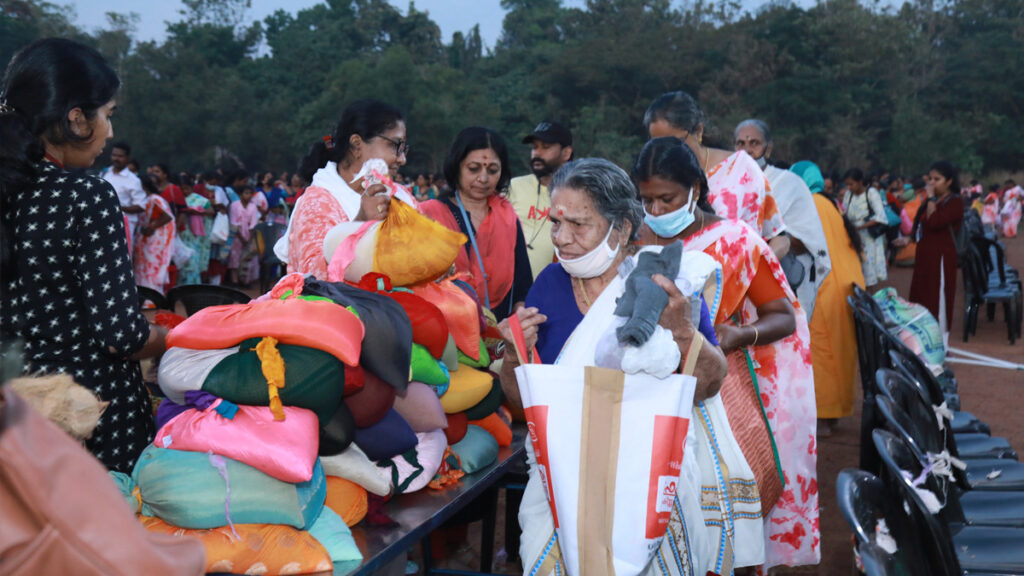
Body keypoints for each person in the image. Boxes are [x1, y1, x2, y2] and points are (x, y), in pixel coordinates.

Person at [496, 158, 729, 576]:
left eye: (579, 225)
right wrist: (515, 357)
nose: (561, 238)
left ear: (621, 228)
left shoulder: (664, 281)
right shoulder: (549, 284)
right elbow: (526, 404)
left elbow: (708, 385)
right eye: (554, 223)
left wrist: (679, 330)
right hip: (562, 487)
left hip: (649, 485)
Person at [633, 137, 819, 570]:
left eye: (667, 199)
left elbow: (783, 316)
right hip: (648, 391)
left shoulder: (735, 238)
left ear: (695, 189)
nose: (657, 211)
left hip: (721, 389)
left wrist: (739, 335)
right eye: (647, 200)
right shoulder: (632, 237)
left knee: (721, 509)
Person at [0, 38, 167, 472]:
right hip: (89, 419)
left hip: (15, 420)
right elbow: (121, 336)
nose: (110, 133)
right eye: (107, 116)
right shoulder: (85, 195)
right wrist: (176, 335)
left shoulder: (11, 194)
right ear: (76, 119)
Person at [277, 99, 413, 279]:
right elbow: (316, 279)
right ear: (357, 145)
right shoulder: (319, 203)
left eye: (404, 149)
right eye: (395, 146)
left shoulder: (401, 196)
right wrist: (360, 222)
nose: (402, 159)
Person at [644, 91, 789, 260]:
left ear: (698, 131)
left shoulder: (741, 170)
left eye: (675, 142)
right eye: (657, 145)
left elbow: (779, 237)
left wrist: (758, 263)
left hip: (739, 280)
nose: (666, 151)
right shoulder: (655, 182)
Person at [419, 127, 532, 322]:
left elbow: (523, 284)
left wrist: (518, 319)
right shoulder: (428, 215)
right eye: (474, 168)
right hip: (445, 333)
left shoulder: (507, 216)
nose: (483, 178)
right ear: (457, 166)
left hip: (501, 336)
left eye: (493, 170)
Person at [790, 160, 866, 430]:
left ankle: (823, 416)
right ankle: (829, 412)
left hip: (826, 287)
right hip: (844, 283)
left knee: (822, 353)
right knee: (838, 353)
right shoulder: (827, 202)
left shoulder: (811, 203)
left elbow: (800, 242)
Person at [734, 119, 831, 319]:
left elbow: (807, 241)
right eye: (740, 144)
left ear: (768, 149)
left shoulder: (789, 183)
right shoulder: (729, 185)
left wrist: (771, 243)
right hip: (742, 283)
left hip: (789, 281)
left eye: (754, 143)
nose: (747, 150)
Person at [508, 121, 574, 279]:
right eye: (534, 147)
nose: (537, 153)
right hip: (510, 289)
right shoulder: (514, 186)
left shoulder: (576, 195)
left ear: (566, 153)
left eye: (545, 147)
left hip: (554, 288)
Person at [909, 161, 964, 334]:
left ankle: (939, 342)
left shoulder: (955, 203)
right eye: (930, 179)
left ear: (949, 182)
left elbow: (934, 222)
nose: (932, 183)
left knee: (937, 298)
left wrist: (931, 198)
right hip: (925, 257)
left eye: (937, 179)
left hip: (941, 258)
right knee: (921, 296)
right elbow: (922, 223)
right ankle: (921, 340)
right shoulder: (932, 201)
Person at [842, 167, 888, 291]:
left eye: (851, 184)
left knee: (869, 272)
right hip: (854, 238)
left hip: (868, 239)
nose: (849, 187)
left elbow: (880, 216)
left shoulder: (871, 193)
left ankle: (869, 301)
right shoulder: (848, 195)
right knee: (856, 272)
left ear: (860, 182)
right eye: (847, 185)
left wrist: (860, 226)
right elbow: (844, 213)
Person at [132, 173, 176, 291]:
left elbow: (167, 216)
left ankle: (151, 300)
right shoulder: (145, 199)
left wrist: (151, 227)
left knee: (151, 269)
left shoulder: (155, 198)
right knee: (143, 268)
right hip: (145, 241)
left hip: (153, 242)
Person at [176, 171, 213, 285]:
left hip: (195, 236)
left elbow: (211, 211)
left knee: (193, 260)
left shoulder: (200, 199)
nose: (185, 191)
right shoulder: (177, 199)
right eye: (182, 189)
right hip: (181, 233)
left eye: (187, 188)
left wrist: (197, 211)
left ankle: (192, 285)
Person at [100, 141, 145, 234]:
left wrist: (118, 207)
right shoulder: (104, 173)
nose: (116, 158)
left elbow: (141, 206)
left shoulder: (133, 180)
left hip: (124, 225)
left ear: (128, 158)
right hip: (103, 221)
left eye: (120, 156)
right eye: (114, 155)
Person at [228, 184, 261, 286]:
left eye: (250, 193)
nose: (248, 195)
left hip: (249, 234)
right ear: (240, 194)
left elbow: (254, 223)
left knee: (248, 258)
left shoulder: (253, 206)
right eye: (246, 193)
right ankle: (235, 280)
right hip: (236, 234)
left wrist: (249, 238)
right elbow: (233, 222)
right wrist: (241, 237)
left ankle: (246, 280)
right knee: (235, 257)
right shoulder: (234, 205)